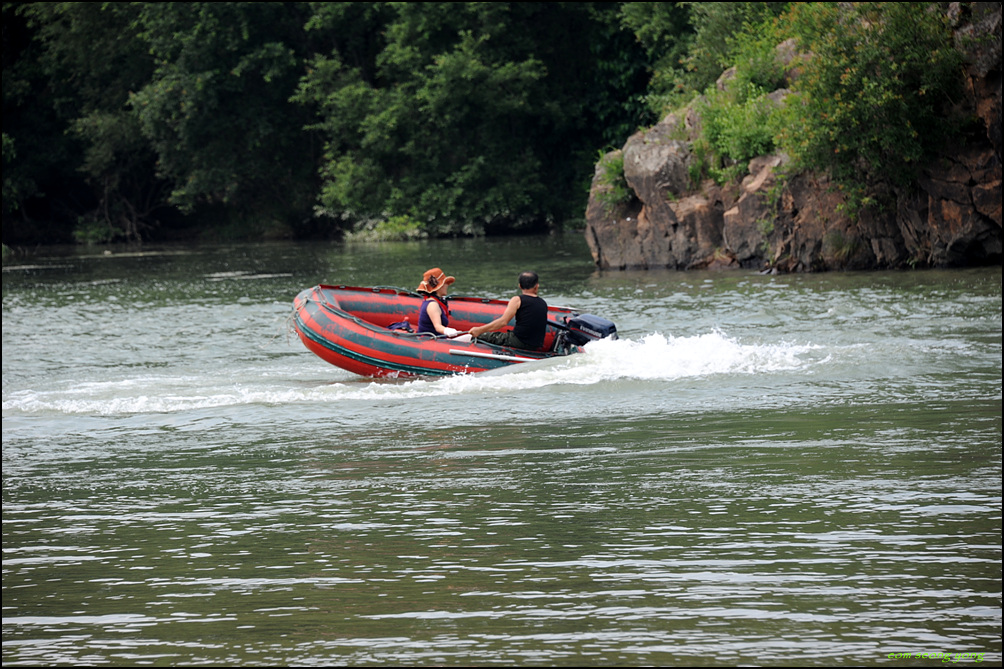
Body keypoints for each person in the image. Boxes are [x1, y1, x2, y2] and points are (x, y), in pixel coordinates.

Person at [469, 271, 548, 350]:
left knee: (477, 336)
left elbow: (503, 322)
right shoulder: (543, 303)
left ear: (520, 286)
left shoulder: (517, 300)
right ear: (537, 286)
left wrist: (479, 330)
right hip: (535, 345)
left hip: (519, 341)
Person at [415, 267, 462, 338]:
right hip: (429, 341)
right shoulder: (432, 304)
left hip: (437, 339)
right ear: (439, 286)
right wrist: (447, 331)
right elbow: (437, 326)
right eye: (445, 283)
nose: (447, 285)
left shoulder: (431, 301)